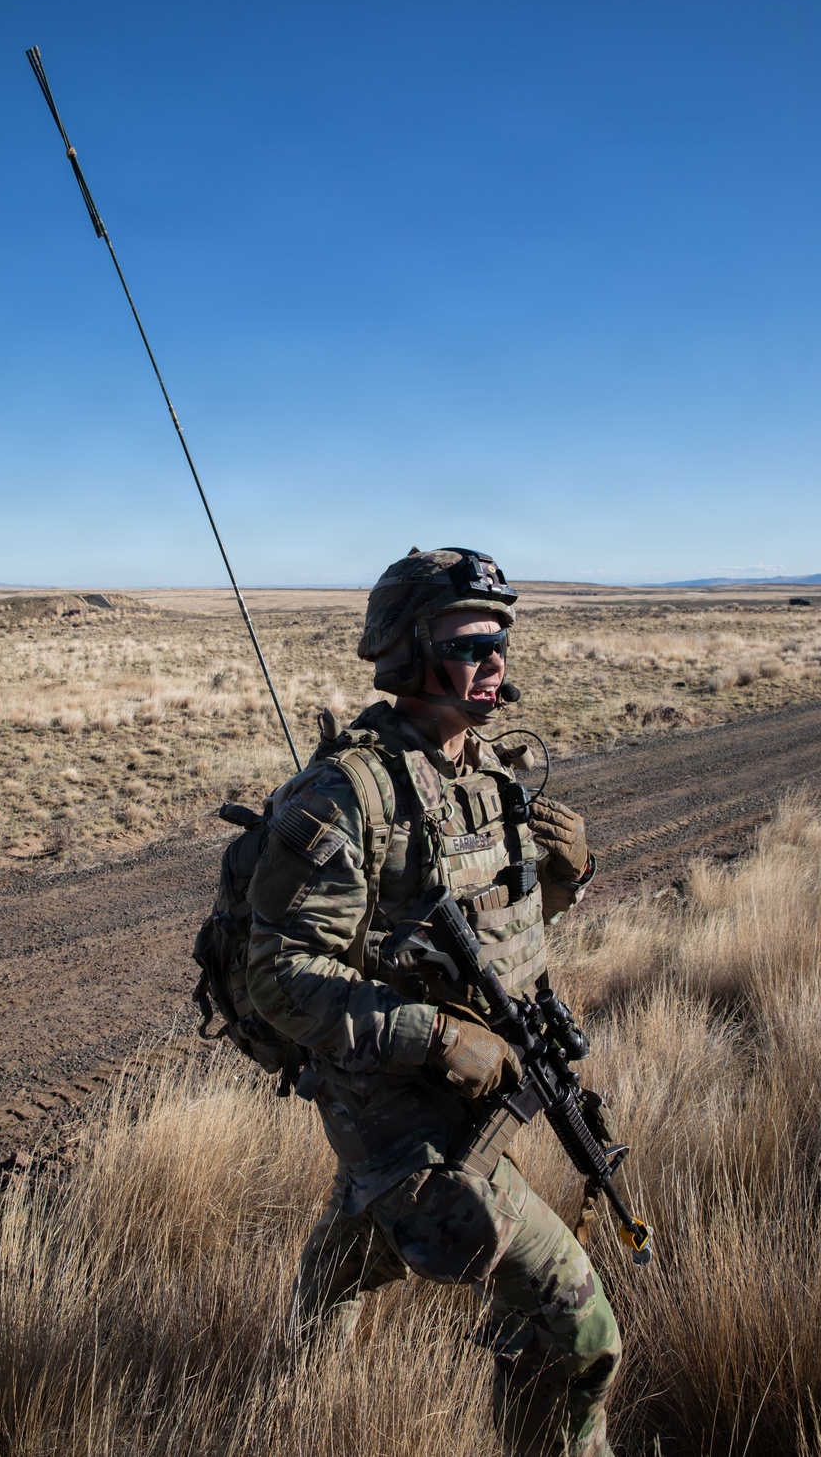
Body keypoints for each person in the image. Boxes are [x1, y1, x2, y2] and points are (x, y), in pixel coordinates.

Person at [245, 547, 621, 1457]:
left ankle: (288, 1402)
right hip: (392, 1102)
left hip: (464, 1090)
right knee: (579, 1330)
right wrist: (435, 1033)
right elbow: (279, 975)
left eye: (501, 639)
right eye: (469, 642)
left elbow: (494, 933)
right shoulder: (347, 796)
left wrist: (568, 877)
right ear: (409, 656)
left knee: (349, 1265)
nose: (495, 661)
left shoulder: (487, 774)